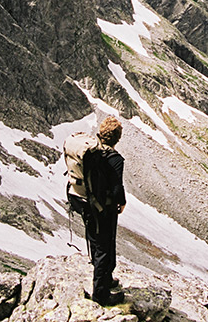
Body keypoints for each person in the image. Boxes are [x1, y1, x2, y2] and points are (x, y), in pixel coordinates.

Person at [68, 116, 127, 306]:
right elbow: (117, 189)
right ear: (117, 138)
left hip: (82, 200)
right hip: (102, 207)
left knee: (94, 238)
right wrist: (122, 202)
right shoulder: (114, 158)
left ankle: (106, 278)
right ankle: (101, 294)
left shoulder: (92, 150)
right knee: (104, 244)